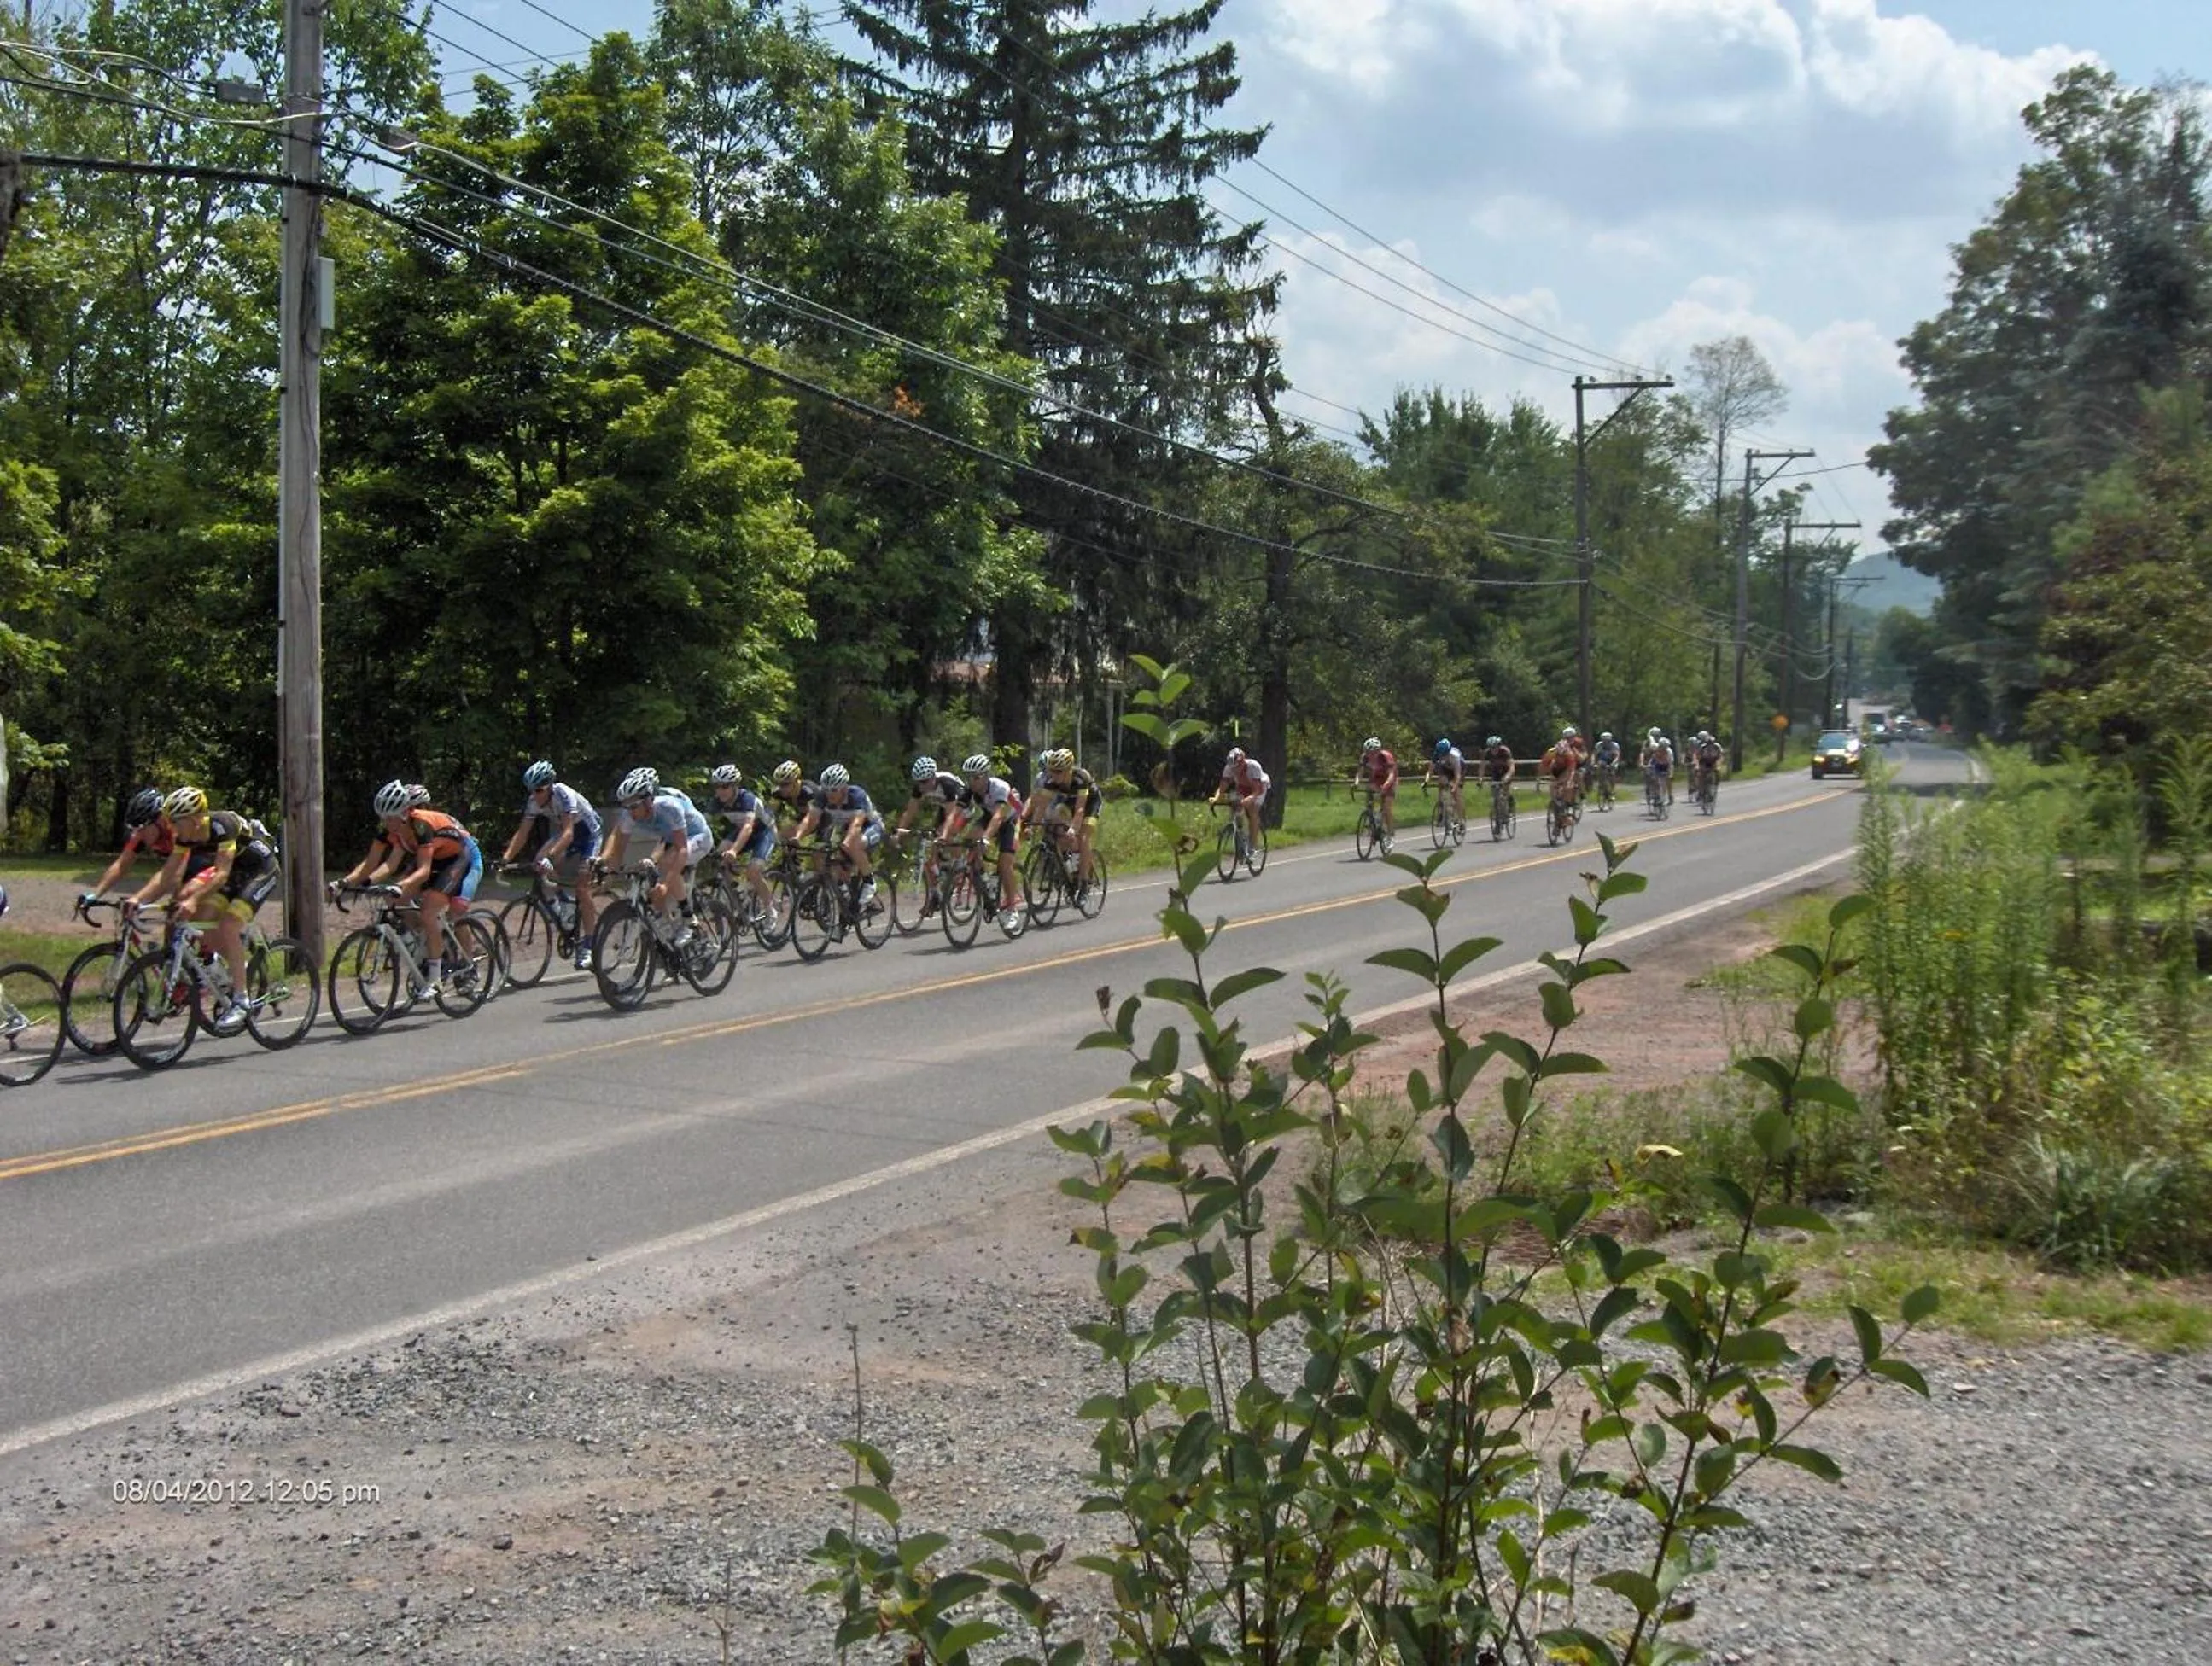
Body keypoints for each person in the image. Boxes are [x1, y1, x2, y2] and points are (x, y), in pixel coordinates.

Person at [125, 786, 281, 1026]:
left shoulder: (223, 824)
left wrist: (192, 899)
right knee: (203, 923)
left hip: (261, 869)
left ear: (195, 820)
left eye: (176, 821)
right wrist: (138, 899)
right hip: (236, 872)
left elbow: (221, 874)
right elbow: (168, 874)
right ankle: (237, 972)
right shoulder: (184, 836)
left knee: (228, 924)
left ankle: (241, 1002)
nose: (172, 828)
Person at [336, 781, 482, 993]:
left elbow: (423, 871)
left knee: (440, 910)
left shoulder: (421, 826)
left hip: (459, 858)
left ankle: (450, 974)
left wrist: (400, 885)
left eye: (389, 818)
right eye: (383, 818)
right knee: (392, 898)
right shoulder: (394, 830)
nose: (385, 823)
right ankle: (428, 943)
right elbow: (382, 864)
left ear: (403, 814)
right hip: (435, 858)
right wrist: (354, 883)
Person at [500, 760, 601, 969]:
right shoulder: (534, 801)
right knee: (539, 861)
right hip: (567, 834)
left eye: (539, 790)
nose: (535, 795)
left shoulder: (563, 794)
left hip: (589, 835)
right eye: (531, 790)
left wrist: (552, 857)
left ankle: (589, 946)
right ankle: (563, 903)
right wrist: (505, 859)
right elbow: (522, 833)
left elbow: (568, 833)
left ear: (550, 786)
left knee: (582, 888)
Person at [597, 766, 712, 942]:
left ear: (648, 800)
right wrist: (610, 872)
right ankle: (668, 928)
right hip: (671, 838)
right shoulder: (630, 813)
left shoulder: (669, 807)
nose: (630, 811)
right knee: (652, 884)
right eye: (626, 806)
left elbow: (681, 849)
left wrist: (665, 885)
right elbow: (619, 846)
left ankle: (689, 919)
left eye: (634, 806)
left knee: (668, 863)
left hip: (698, 836)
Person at [791, 763, 884, 909]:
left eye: (834, 790)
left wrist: (846, 843)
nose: (830, 794)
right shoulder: (823, 797)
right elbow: (810, 820)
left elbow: (856, 825)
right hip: (845, 829)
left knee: (853, 846)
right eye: (826, 789)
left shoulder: (856, 795)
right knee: (819, 853)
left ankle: (869, 881)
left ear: (844, 788)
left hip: (870, 827)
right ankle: (842, 890)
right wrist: (797, 837)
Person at [896, 755, 971, 917]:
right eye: (918, 782)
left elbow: (952, 817)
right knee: (931, 854)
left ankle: (959, 863)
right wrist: (900, 832)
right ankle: (934, 894)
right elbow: (910, 812)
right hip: (945, 808)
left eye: (924, 782)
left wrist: (943, 835)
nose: (921, 786)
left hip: (962, 809)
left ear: (932, 778)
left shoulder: (947, 784)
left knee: (948, 834)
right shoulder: (920, 787)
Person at [706, 764, 779, 923]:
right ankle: (738, 892)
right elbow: (704, 824)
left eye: (725, 786)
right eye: (717, 786)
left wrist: (734, 851)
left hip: (764, 833)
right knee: (719, 858)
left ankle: (770, 908)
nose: (720, 791)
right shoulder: (717, 801)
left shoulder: (747, 799)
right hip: (741, 832)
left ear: (735, 786)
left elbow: (748, 827)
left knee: (753, 871)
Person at [960, 753, 1026, 914]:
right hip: (991, 816)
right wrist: (946, 835)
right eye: (969, 777)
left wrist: (985, 838)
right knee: (968, 840)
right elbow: (956, 813)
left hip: (1012, 819)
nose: (972, 781)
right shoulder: (970, 790)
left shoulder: (999, 787)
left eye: (976, 777)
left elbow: (998, 817)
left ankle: (1012, 905)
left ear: (986, 776)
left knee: (1004, 864)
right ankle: (985, 881)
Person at [83, 788, 172, 903]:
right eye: (135, 828)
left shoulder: (179, 833)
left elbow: (171, 873)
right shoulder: (140, 835)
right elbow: (121, 865)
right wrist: (96, 895)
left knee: (182, 896)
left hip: (192, 864)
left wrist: (139, 900)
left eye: (141, 827)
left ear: (160, 819)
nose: (137, 833)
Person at [1028, 749, 1101, 886]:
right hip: (1070, 802)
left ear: (1068, 770)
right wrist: (1033, 827)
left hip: (1090, 803)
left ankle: (1084, 882)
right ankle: (1069, 864)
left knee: (1083, 838)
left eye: (1058, 771)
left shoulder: (1080, 779)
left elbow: (1080, 810)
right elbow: (1041, 807)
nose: (1053, 775)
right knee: (1056, 825)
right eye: (1051, 770)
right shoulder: (1051, 782)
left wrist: (1073, 828)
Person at [1211, 746, 1269, 856]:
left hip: (1260, 787)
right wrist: (1216, 798)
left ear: (1243, 762)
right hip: (1243, 787)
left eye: (1237, 767)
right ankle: (1240, 833)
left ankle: (1252, 846)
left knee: (1252, 810)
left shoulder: (1253, 766)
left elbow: (1257, 790)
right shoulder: (1229, 767)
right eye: (1232, 768)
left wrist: (1249, 799)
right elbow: (1222, 787)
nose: (1235, 770)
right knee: (1235, 807)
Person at [1353, 737, 1398, 846]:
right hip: (1376, 778)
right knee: (1370, 794)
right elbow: (1360, 772)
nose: (1370, 755)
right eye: (1368, 753)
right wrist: (1356, 783)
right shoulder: (1364, 757)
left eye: (1373, 753)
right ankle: (1373, 825)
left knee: (1386, 807)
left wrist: (1385, 787)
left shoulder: (1385, 757)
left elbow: (1391, 775)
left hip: (1389, 779)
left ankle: (1390, 834)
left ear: (1378, 751)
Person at [1539, 731, 1581, 813]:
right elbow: (1543, 767)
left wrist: (1568, 781)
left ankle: (1568, 805)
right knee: (1552, 786)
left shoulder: (1570, 755)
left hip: (1566, 769)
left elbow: (1571, 771)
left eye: (1563, 755)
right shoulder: (1551, 752)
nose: (1560, 757)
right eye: (1558, 755)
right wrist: (1540, 778)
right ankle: (1555, 802)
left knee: (1567, 787)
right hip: (1555, 769)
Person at [1477, 737, 1512, 824]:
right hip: (1496, 772)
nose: (1493, 750)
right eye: (1491, 748)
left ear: (1499, 746)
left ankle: (1509, 809)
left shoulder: (1505, 751)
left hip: (1506, 771)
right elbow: (1482, 767)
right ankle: (1497, 815)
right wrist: (1480, 780)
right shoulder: (1487, 753)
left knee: (1504, 792)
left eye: (1495, 747)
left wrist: (1508, 776)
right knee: (1495, 794)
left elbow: (1511, 766)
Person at [1642, 730, 1676, 806]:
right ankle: (1656, 794)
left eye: (1664, 748)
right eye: (1661, 747)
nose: (1663, 749)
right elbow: (1650, 739)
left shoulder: (1669, 752)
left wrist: (1670, 774)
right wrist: (1647, 766)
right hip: (1656, 763)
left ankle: (1668, 796)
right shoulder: (1654, 746)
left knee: (1666, 781)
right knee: (1654, 779)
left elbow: (1671, 764)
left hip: (1666, 765)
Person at [1692, 731, 1725, 801]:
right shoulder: (1703, 747)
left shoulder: (1717, 746)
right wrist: (1697, 765)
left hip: (1714, 761)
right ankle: (1701, 791)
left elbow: (1721, 756)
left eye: (1711, 743)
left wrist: (1719, 764)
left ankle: (1716, 783)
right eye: (1708, 743)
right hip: (1704, 761)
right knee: (1701, 774)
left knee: (1717, 770)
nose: (1710, 745)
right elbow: (1698, 756)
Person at [1592, 732, 1623, 805]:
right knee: (1600, 769)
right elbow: (1594, 755)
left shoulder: (1614, 745)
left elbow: (1617, 756)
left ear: (1610, 740)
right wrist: (1593, 763)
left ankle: (1612, 791)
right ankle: (1601, 785)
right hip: (1603, 760)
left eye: (1607, 741)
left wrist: (1613, 764)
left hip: (1613, 760)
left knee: (1612, 773)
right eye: (1604, 741)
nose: (1605, 742)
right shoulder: (1599, 745)